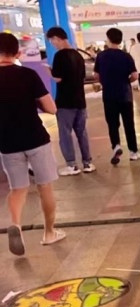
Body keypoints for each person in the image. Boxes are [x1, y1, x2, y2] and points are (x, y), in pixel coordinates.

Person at [0, 32, 66, 255]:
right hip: (35, 139)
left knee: (17, 189)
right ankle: (49, 233)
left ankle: (16, 224)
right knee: (44, 186)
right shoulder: (28, 75)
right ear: (17, 53)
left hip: (7, 142)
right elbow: (52, 108)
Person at [46, 26, 95, 176]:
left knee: (65, 134)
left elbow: (58, 78)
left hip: (65, 102)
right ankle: (87, 163)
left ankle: (72, 165)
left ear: (56, 38)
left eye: (52, 41)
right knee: (82, 133)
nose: (53, 44)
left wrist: (48, 71)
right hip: (80, 100)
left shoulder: (60, 56)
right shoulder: (78, 55)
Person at [94, 28, 140, 164]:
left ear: (108, 39)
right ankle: (133, 152)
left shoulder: (101, 56)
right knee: (129, 124)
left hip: (109, 95)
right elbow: (135, 75)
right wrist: (127, 81)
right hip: (125, 94)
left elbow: (96, 75)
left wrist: (104, 81)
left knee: (112, 123)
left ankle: (116, 145)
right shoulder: (126, 56)